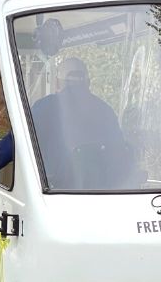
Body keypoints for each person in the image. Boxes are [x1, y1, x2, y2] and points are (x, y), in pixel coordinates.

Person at [30, 56, 130, 189]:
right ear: (88, 82)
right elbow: (119, 154)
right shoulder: (105, 111)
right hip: (103, 195)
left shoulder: (44, 108)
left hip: (54, 195)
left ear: (57, 83)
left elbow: (17, 141)